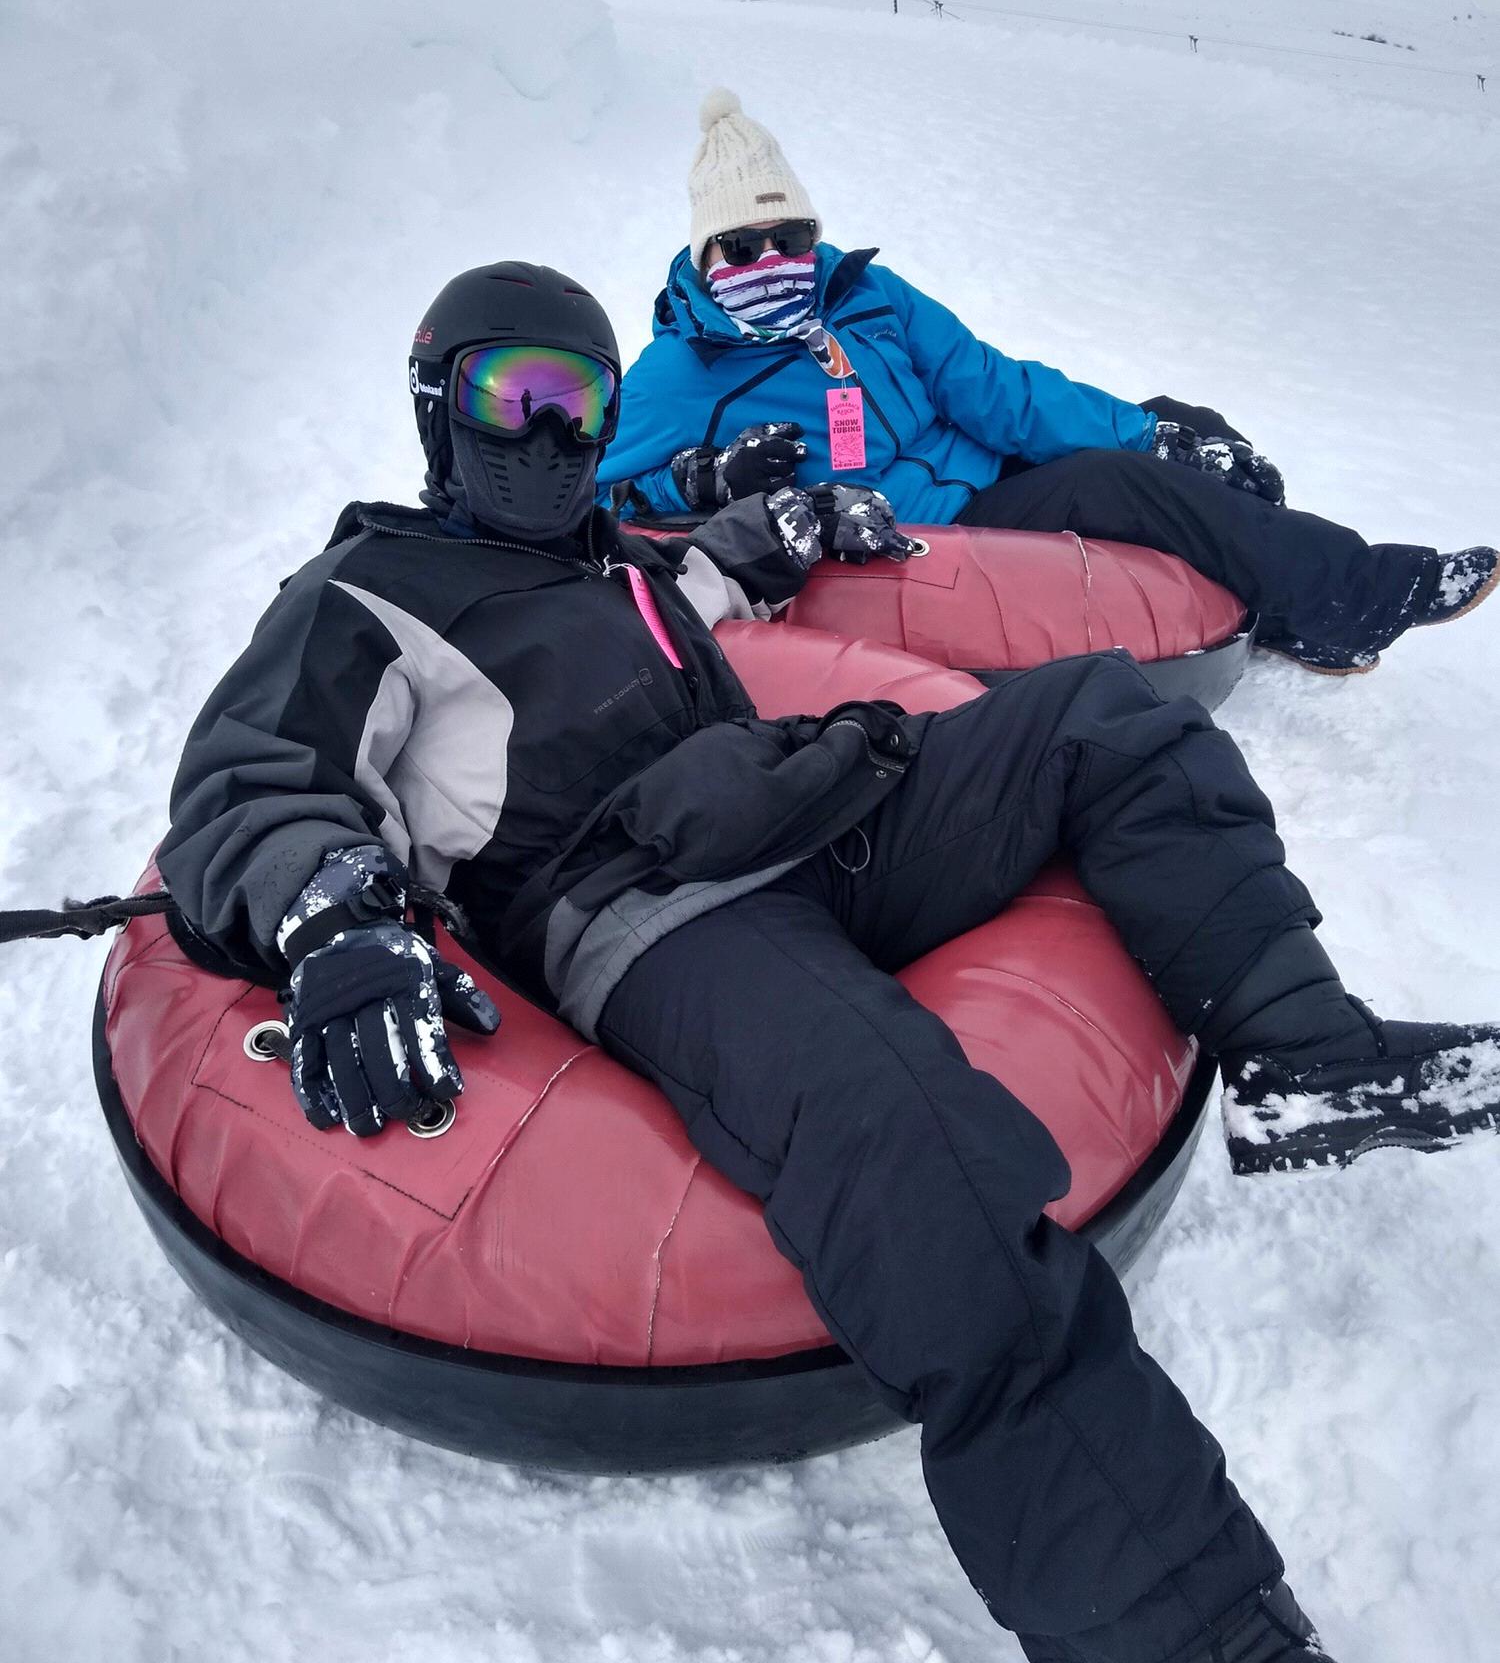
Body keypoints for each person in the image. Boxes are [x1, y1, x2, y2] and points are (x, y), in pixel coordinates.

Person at [159, 260, 1500, 1663]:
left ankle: (1305, 1058)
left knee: (1106, 717)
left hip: (810, 807)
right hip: (652, 910)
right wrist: (335, 913)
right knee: (914, 1137)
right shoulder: (364, 597)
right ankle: (1189, 1627)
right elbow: (251, 788)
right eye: (517, 395)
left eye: (582, 402)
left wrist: (794, 520)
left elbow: (712, 561)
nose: (553, 435)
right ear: (442, 409)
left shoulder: (610, 548)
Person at [602, 89, 1497, 676]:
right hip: (929, 533)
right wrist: (702, 479)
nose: (774, 261)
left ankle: (1284, 594)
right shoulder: (683, 374)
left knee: (1179, 422)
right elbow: (598, 489)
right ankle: (1360, 597)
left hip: (985, 467)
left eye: (790, 238)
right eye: (744, 247)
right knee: (1127, 483)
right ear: (704, 255)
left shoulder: (860, 294)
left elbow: (990, 385)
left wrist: (1153, 431)